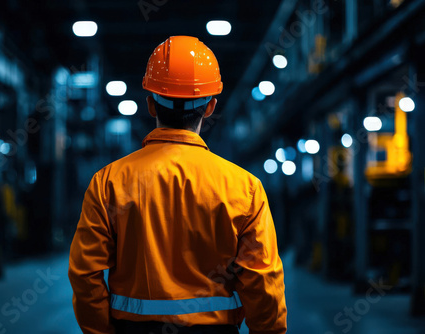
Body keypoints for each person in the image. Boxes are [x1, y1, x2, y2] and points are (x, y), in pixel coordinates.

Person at [69, 36, 287, 334]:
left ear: (150, 104)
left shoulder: (108, 182)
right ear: (210, 107)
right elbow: (262, 280)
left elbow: (85, 273)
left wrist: (101, 332)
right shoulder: (245, 187)